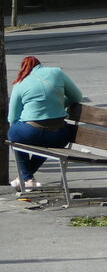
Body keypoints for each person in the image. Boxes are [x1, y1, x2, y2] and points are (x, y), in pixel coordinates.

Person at [7, 56, 84, 193]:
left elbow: (12, 117)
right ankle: (25, 177)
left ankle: (27, 179)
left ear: (24, 68)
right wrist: (60, 103)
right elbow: (77, 97)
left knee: (13, 134)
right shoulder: (57, 73)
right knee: (47, 144)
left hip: (31, 132)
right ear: (40, 65)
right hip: (58, 136)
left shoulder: (20, 83)